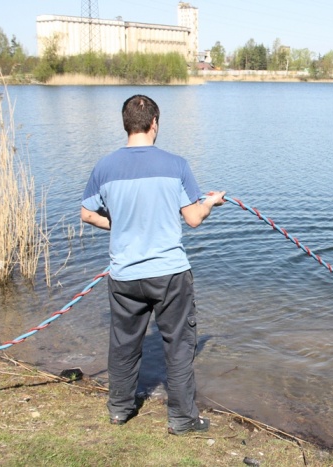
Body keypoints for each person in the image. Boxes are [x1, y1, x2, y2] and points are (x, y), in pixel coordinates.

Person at [81, 95, 226, 435]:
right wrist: (210, 203)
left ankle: (119, 410)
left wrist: (122, 224)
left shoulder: (104, 166)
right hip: (169, 275)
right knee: (178, 346)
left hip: (124, 276)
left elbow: (87, 213)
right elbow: (192, 218)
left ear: (125, 123)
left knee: (123, 343)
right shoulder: (176, 165)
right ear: (154, 124)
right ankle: (182, 419)